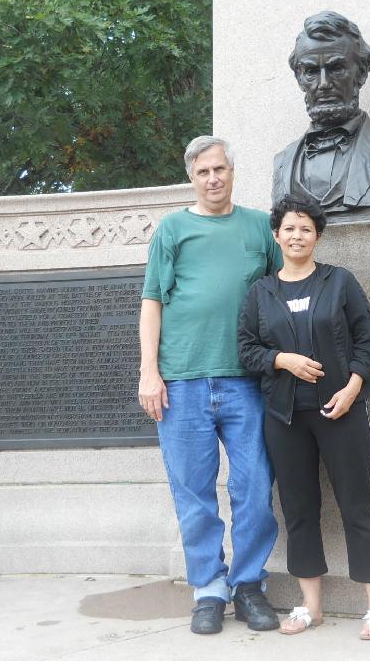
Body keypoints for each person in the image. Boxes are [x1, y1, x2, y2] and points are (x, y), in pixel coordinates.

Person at [138, 135, 283, 635]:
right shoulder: (173, 229)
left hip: (246, 381)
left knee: (255, 486)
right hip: (182, 382)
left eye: (219, 169)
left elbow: (281, 291)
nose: (213, 179)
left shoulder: (259, 227)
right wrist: (149, 371)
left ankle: (249, 586)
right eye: (203, 172)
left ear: (232, 172)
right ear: (192, 177)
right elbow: (152, 301)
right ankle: (208, 589)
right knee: (193, 492)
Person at [238, 195, 370, 640]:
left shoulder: (339, 282)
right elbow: (247, 349)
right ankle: (311, 605)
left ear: (318, 236)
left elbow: (366, 338)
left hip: (340, 410)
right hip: (285, 418)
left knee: (356, 505)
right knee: (299, 509)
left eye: (306, 228)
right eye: (289, 228)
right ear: (276, 235)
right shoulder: (261, 292)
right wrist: (282, 359)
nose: (297, 235)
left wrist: (353, 386)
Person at [271, 11, 370, 222]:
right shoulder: (282, 163)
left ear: (362, 73)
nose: (323, 83)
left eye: (336, 68)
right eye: (312, 71)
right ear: (300, 78)